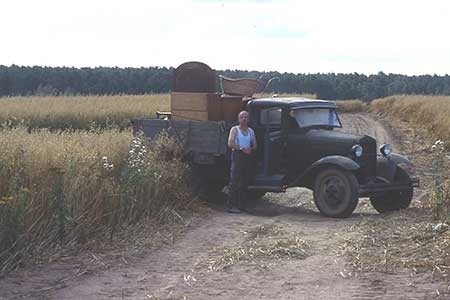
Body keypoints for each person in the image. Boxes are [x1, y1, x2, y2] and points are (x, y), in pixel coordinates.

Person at [227, 111, 257, 213]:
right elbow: (230, 143)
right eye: (241, 117)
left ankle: (242, 205)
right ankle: (230, 206)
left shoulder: (250, 131)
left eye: (246, 117)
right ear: (238, 119)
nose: (244, 119)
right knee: (234, 181)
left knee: (244, 182)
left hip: (247, 156)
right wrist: (241, 148)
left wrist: (250, 149)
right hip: (237, 155)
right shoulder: (235, 130)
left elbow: (255, 145)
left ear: (248, 119)